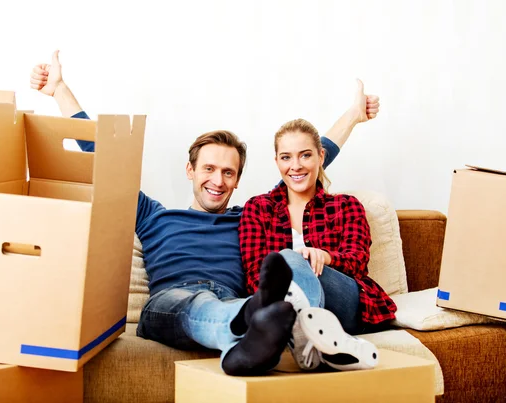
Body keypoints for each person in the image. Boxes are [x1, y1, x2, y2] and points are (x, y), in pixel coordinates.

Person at [29, 50, 381, 375]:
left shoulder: (249, 217)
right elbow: (102, 160)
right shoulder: (154, 216)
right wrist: (60, 90)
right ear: (190, 171)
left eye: (228, 173)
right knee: (198, 305)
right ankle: (250, 324)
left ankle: (246, 345)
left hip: (232, 299)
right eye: (209, 169)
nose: (217, 180)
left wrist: (351, 118)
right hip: (172, 303)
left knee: (235, 299)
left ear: (238, 180)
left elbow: (302, 169)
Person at [239, 117, 396, 371]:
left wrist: (325, 256)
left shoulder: (346, 206)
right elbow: (255, 275)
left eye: (305, 155)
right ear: (277, 162)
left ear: (321, 156)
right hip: (284, 304)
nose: (296, 166)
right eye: (286, 157)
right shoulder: (258, 209)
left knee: (289, 259)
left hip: (343, 301)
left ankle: (302, 336)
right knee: (285, 261)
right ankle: (315, 337)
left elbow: (357, 261)